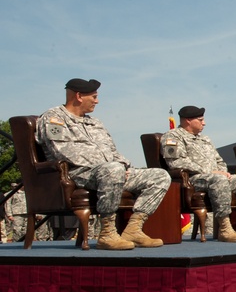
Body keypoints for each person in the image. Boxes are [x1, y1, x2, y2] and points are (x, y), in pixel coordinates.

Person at [36, 78, 170, 250]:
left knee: (159, 176)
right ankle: (107, 233)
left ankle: (134, 229)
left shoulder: (95, 123)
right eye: (94, 97)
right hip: (78, 173)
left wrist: (124, 167)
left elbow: (113, 151)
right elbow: (63, 151)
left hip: (111, 171)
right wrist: (113, 167)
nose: (97, 101)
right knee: (112, 169)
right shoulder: (54, 118)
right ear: (79, 96)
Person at [162, 106, 236, 243]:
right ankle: (225, 228)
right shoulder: (172, 136)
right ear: (188, 120)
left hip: (215, 177)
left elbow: (219, 160)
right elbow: (176, 162)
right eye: (200, 120)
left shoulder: (205, 139)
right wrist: (210, 172)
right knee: (218, 179)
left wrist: (224, 171)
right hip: (194, 179)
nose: (204, 123)